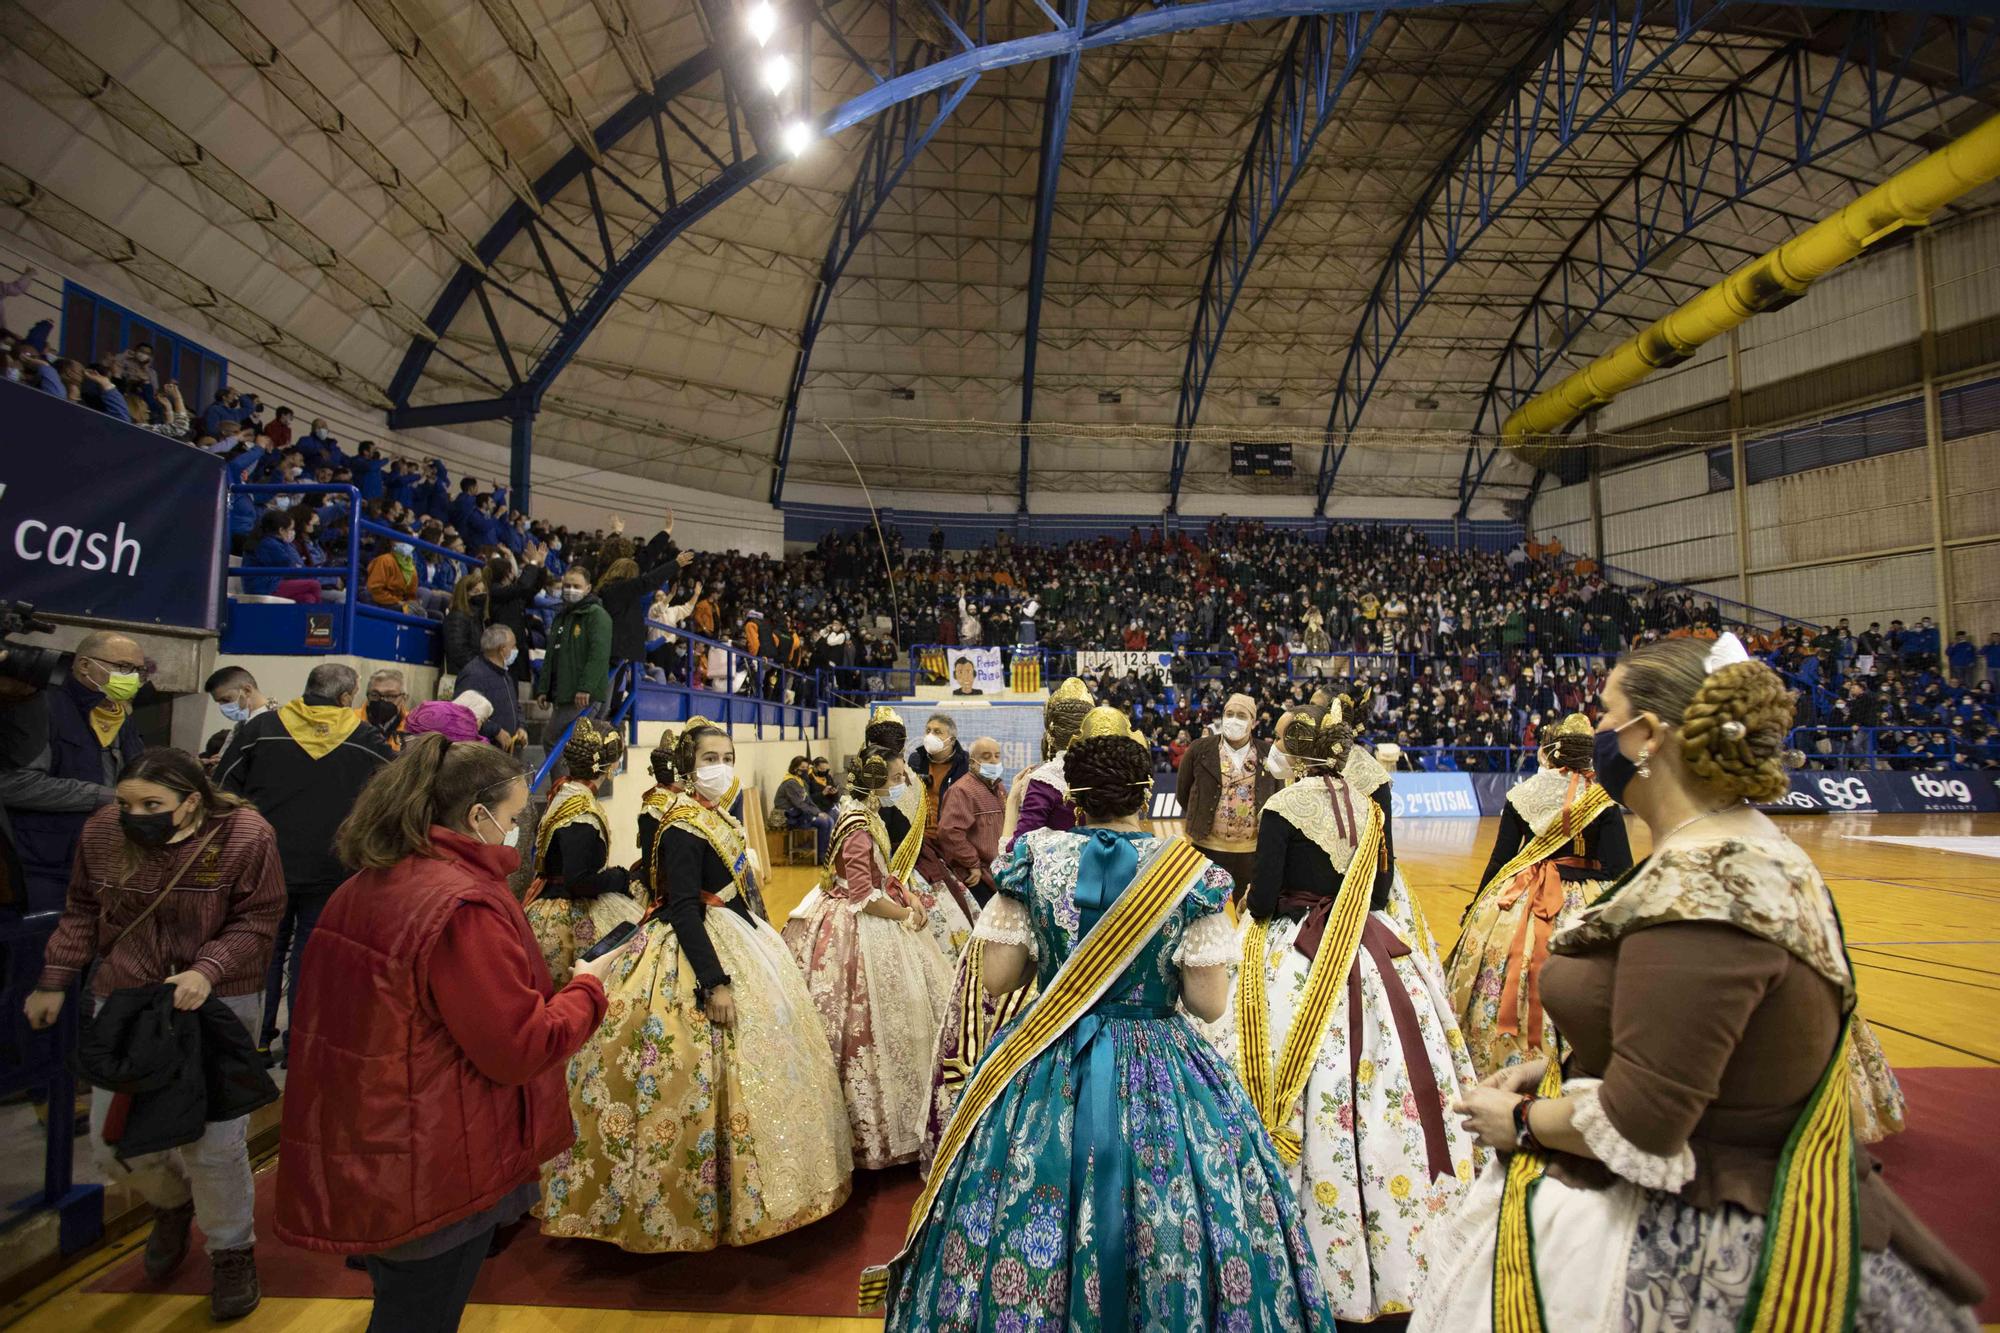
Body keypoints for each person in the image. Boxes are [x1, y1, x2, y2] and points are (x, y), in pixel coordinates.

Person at [1414, 635, 1976, 1331]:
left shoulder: (1702, 886)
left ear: (1646, 734)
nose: (1598, 730)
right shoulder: (1733, 846)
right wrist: (1549, 1069)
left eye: (1607, 711)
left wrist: (1522, 1121)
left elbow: (1646, 1120)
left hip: (1712, 1235)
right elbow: (1690, 1039)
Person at [872, 711, 1335, 1330]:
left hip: (1048, 1055)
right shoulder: (1186, 871)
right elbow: (1208, 1004)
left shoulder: (1035, 859)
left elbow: (999, 980)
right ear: (1147, 795)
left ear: (1074, 797)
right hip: (1159, 1063)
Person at [275, 734, 614, 1332]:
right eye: (512, 818)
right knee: (421, 1314)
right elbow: (519, 1044)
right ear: (477, 815)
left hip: (370, 1131)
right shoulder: (462, 906)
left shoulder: (364, 884)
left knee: (400, 1299)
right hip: (433, 1146)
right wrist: (587, 988)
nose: (515, 833)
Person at [541, 719, 852, 1250]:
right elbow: (684, 908)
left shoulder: (710, 815)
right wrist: (715, 983)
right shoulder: (683, 824)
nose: (722, 765)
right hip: (696, 954)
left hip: (738, 936)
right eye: (710, 757)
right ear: (687, 768)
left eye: (728, 755)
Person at [1228, 702, 1477, 1324]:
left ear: (1298, 754)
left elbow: (1262, 899)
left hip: (1303, 949)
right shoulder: (1369, 804)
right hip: (1374, 943)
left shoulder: (1283, 807)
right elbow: (1385, 889)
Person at [27, 748, 283, 1320]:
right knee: (115, 1146)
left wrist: (207, 968)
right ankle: (172, 1204)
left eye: (151, 804)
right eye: (125, 802)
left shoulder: (244, 836)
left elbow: (260, 917)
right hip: (125, 1000)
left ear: (192, 801)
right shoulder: (100, 833)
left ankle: (231, 1251)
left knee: (214, 1146)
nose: (133, 814)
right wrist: (54, 979)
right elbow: (81, 908)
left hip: (218, 1001)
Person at [782, 747, 954, 1170]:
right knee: (872, 1023)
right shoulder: (859, 823)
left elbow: (883, 873)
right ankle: (878, 1132)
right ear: (877, 784)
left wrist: (906, 892)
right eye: (897, 778)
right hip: (860, 925)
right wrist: (905, 912)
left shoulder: (864, 813)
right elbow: (862, 895)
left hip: (877, 908)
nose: (903, 784)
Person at [217, 663, 395, 1059]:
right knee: (310, 958)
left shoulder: (259, 730)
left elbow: (222, 789)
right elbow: (395, 796)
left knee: (260, 949)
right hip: (332, 865)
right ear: (348, 698)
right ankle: (299, 1042)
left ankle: (252, 1043)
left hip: (262, 863)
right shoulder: (367, 740)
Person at [1444, 713, 1632, 1077]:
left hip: (1522, 901)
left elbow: (1502, 861)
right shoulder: (1603, 800)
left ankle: (1498, 1059)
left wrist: (1475, 907)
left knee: (1507, 969)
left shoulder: (1522, 794)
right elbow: (1619, 868)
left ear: (1553, 752)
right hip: (1584, 899)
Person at [12, 630, 146, 913]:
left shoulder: (121, 718)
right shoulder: (43, 707)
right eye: (123, 667)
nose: (131, 677)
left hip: (108, 865)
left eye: (137, 670)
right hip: (43, 867)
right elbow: (15, 783)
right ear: (85, 665)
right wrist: (106, 796)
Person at [523, 719, 644, 986]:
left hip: (551, 901)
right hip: (564, 917)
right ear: (611, 765)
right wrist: (620, 878)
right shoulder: (580, 811)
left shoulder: (564, 791)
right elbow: (578, 881)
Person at [1176, 691, 1279, 903]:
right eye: (1229, 713)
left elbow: (1277, 796)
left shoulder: (1268, 753)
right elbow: (1183, 793)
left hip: (1252, 851)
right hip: (1208, 847)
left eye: (1241, 716)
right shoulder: (1199, 749)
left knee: (1249, 912)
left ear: (1253, 722)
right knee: (1204, 911)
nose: (1233, 720)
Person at [1003, 676, 1094, 847]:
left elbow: (1018, 851)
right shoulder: (1109, 772)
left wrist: (1012, 801)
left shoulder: (1044, 781)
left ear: (1051, 737)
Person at [539, 566, 612, 748]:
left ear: (588, 588)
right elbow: (552, 655)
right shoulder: (562, 616)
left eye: (576, 586)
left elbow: (599, 655)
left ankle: (562, 778)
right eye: (567, 585)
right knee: (567, 743)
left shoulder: (597, 615)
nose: (571, 590)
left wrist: (586, 687)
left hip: (579, 694)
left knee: (552, 740)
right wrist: (544, 689)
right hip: (562, 691)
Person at [456, 625, 527, 753]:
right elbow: (464, 715)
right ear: (502, 650)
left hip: (505, 752)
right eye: (513, 646)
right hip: (484, 753)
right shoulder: (473, 674)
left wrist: (520, 726)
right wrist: (495, 731)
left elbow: (515, 705)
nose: (516, 650)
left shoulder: (505, 674)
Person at [774, 755, 834, 860]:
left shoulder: (801, 781)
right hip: (790, 816)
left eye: (807, 767)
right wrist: (816, 814)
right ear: (794, 768)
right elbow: (800, 804)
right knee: (824, 822)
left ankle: (825, 853)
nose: (806, 770)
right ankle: (821, 856)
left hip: (800, 813)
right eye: (802, 767)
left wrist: (818, 811)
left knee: (829, 819)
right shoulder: (790, 783)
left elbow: (808, 800)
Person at [441, 571, 487, 676]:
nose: (481, 595)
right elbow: (458, 651)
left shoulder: (479, 619)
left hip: (474, 674)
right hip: (460, 676)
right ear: (465, 594)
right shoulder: (457, 617)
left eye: (483, 591)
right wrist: (481, 667)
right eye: (476, 591)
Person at [363, 668, 409, 752]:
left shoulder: (412, 727)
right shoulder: (351, 722)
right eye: (375, 694)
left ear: (404, 698)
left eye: (390, 696)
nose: (382, 700)